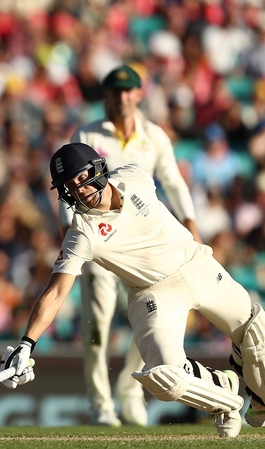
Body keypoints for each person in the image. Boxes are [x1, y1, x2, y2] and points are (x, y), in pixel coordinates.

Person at [2, 142, 265, 438]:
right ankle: (223, 394)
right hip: (154, 293)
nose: (79, 190)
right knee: (166, 377)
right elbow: (56, 292)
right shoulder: (82, 233)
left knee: (257, 334)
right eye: (70, 186)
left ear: (98, 169)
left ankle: (261, 399)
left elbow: (170, 176)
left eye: (82, 178)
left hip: (196, 264)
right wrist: (27, 343)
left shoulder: (135, 176)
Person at [65, 64, 201, 427]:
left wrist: (190, 222)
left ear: (139, 94)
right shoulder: (87, 133)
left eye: (129, 91)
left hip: (143, 249)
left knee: (151, 320)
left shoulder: (154, 136)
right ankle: (100, 404)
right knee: (97, 327)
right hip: (100, 245)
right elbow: (71, 188)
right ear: (106, 96)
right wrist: (73, 234)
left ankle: (129, 389)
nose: (123, 98)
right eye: (116, 91)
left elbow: (173, 181)